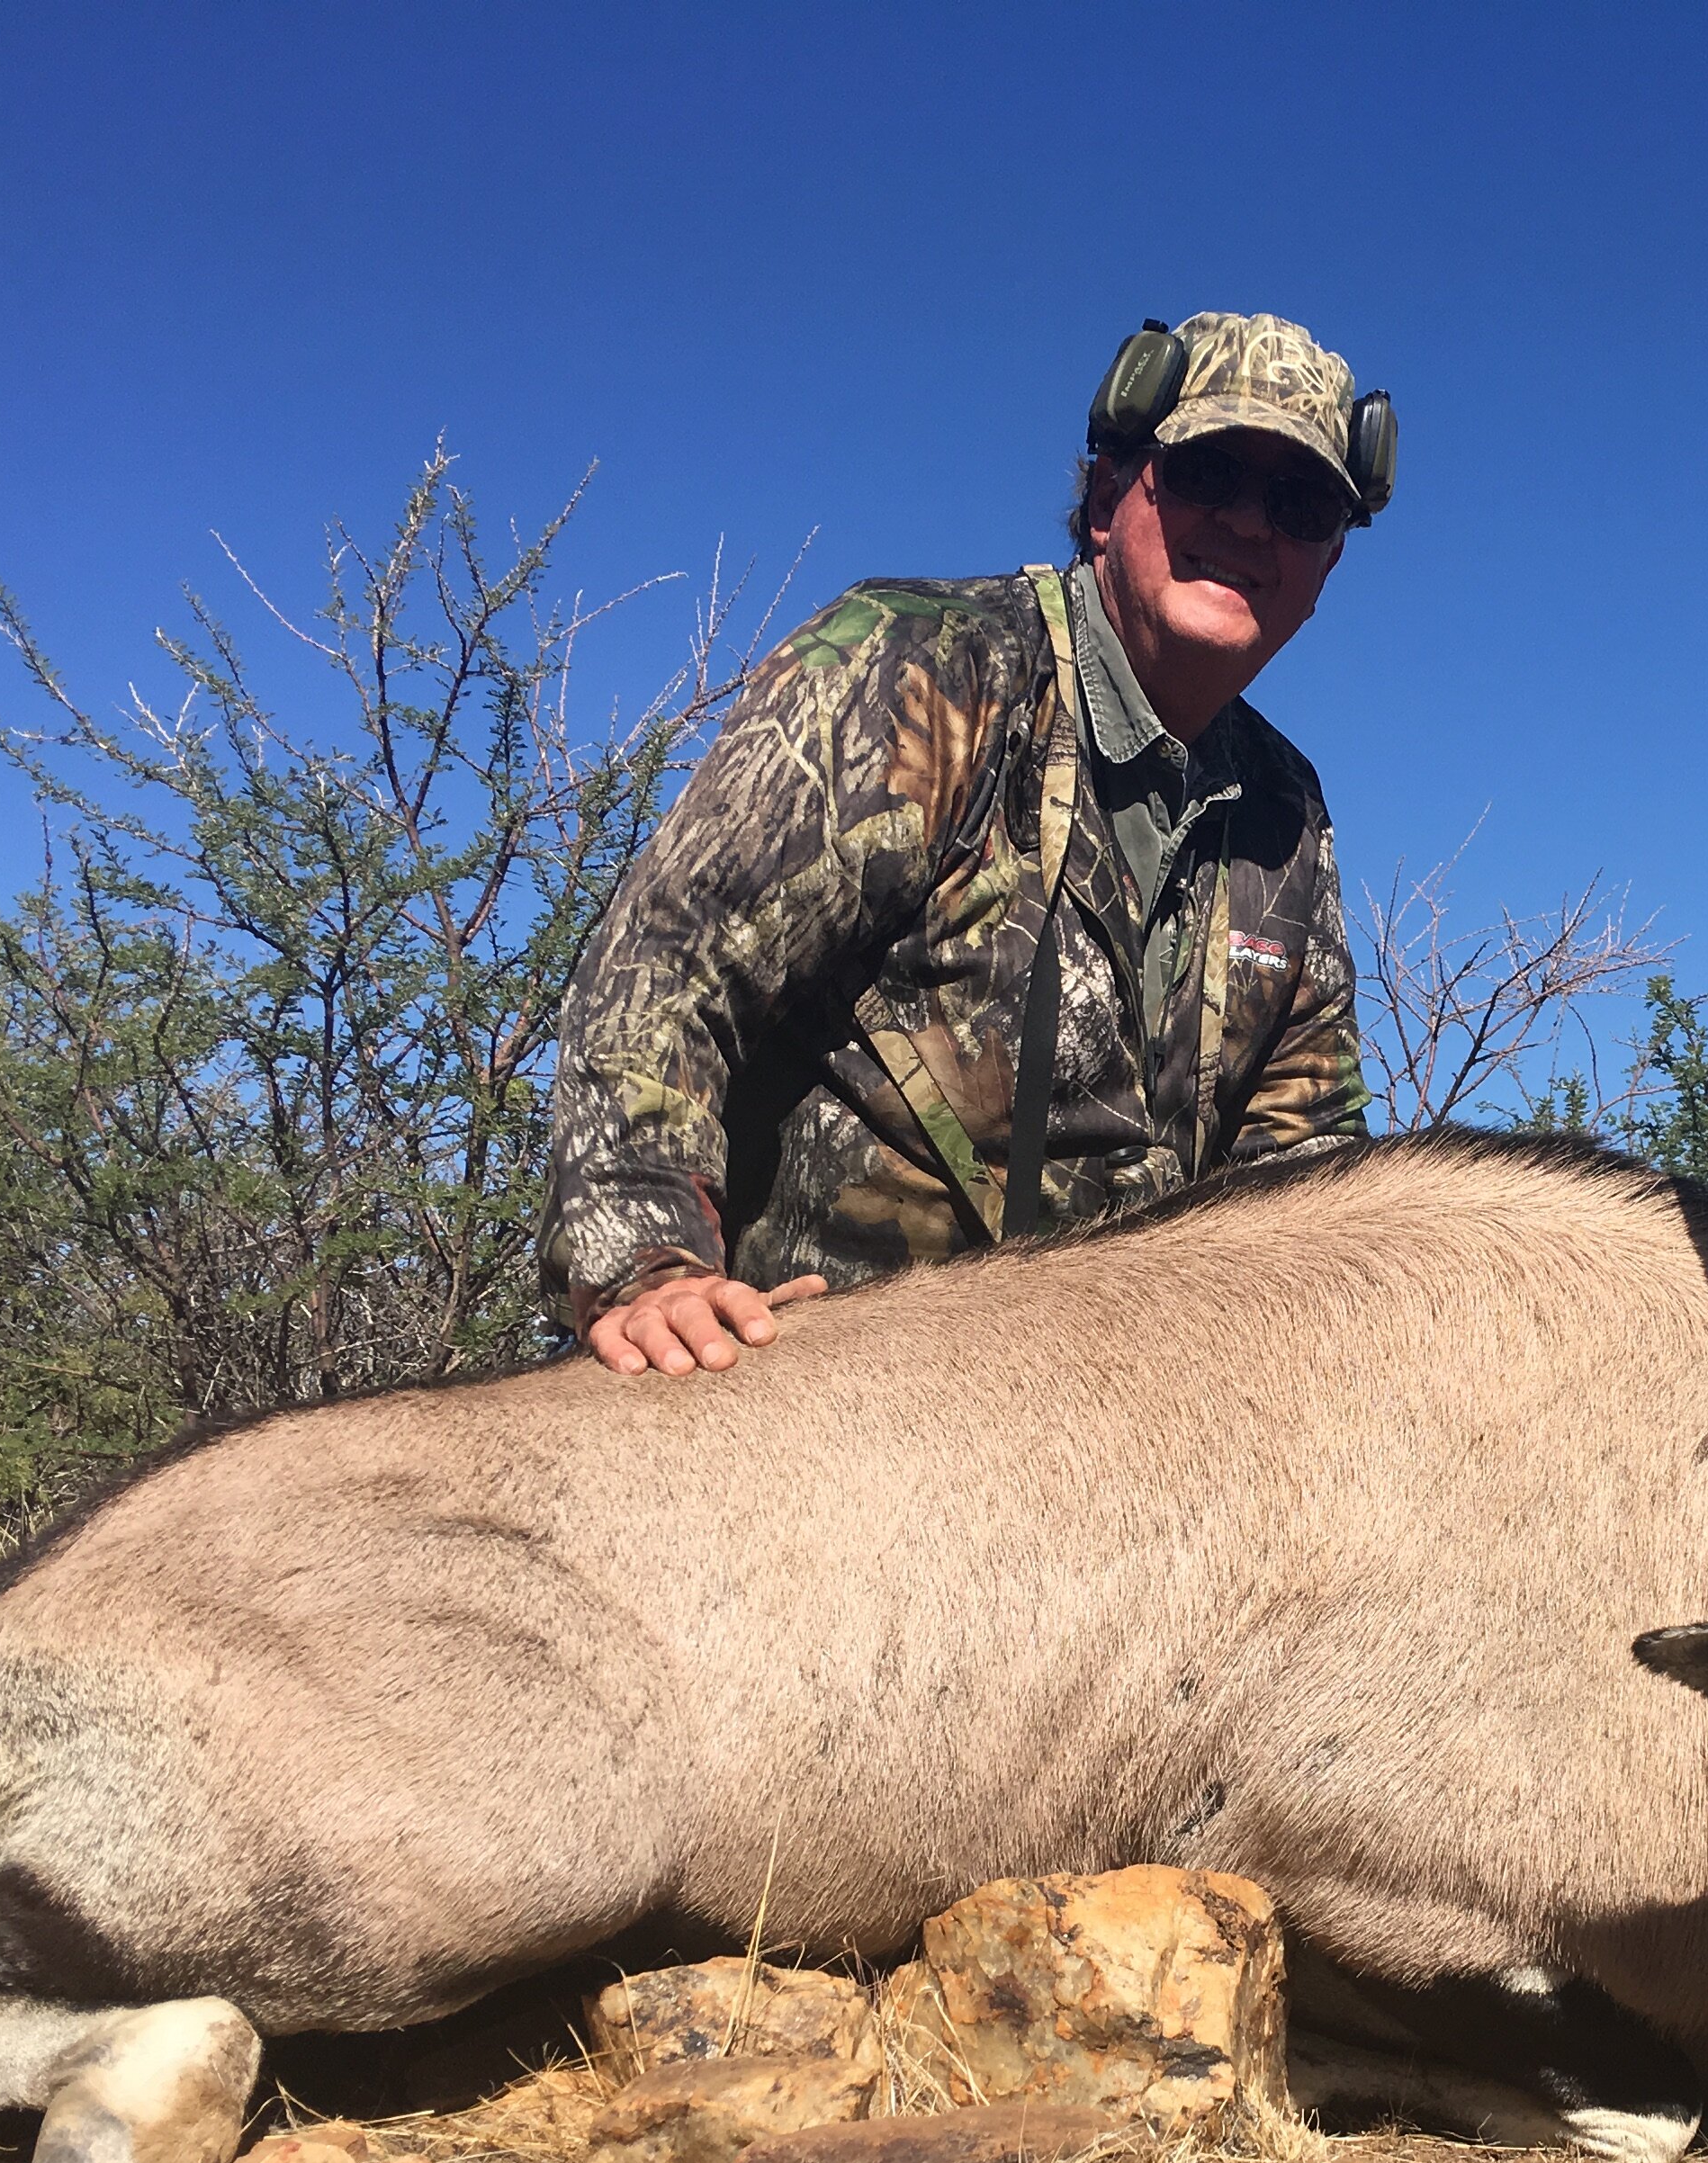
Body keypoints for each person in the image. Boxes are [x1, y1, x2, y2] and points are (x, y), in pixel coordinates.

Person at [539, 312, 1388, 1374]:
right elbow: (668, 958)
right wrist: (649, 1268)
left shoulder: (1285, 810)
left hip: (1118, 1410)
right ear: (1103, 499)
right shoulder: (923, 669)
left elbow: (1304, 1147)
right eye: (1211, 472)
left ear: (1327, 568)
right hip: (811, 1382)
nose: (1254, 525)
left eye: (1300, 504)